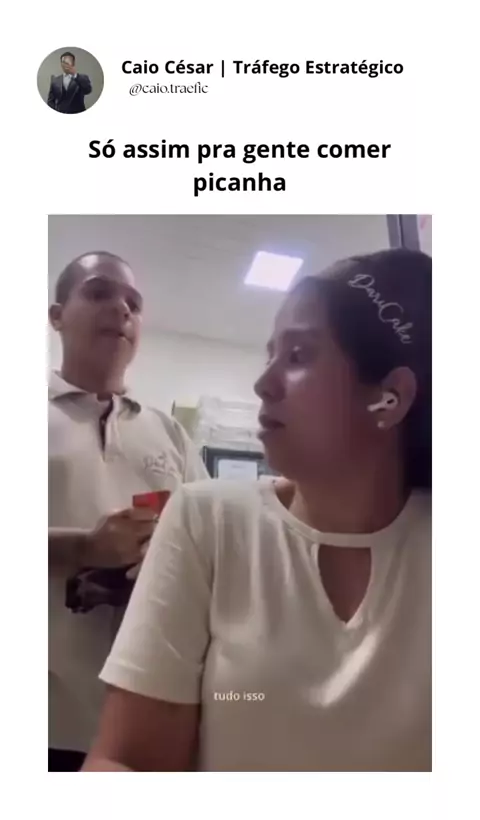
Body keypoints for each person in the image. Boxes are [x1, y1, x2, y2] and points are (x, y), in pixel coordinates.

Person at [82, 248, 432, 773]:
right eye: (271, 354)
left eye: (298, 355)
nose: (263, 382)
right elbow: (129, 762)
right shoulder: (207, 521)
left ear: (390, 397)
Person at [48, 251, 209, 771]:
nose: (121, 309)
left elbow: (208, 546)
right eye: (99, 292)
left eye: (133, 304)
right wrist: (83, 548)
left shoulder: (170, 434)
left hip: (142, 719)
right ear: (56, 316)